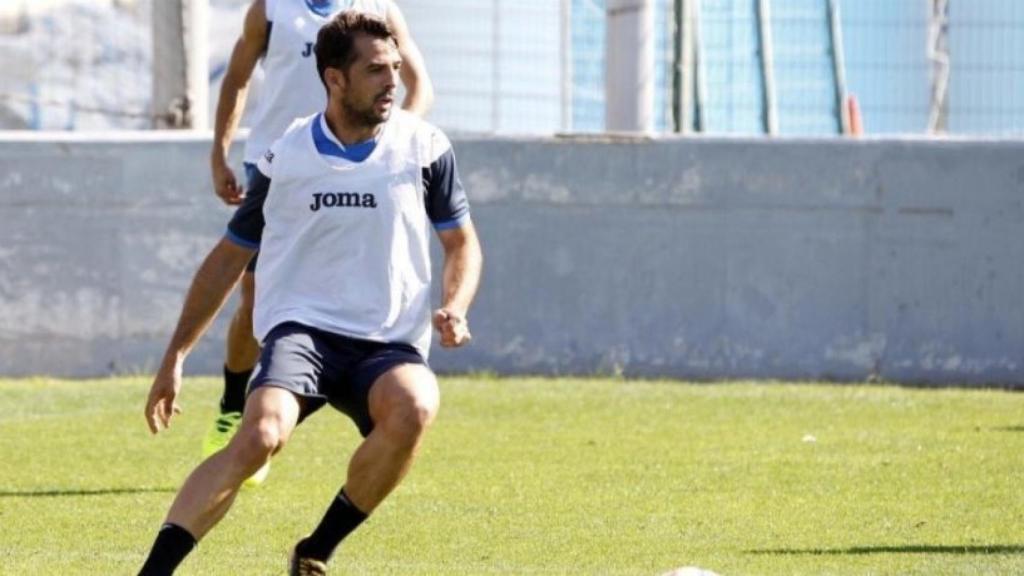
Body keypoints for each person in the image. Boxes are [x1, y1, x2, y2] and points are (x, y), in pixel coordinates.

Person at [138, 12, 480, 575]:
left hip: (388, 340)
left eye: (395, 67)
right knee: (260, 435)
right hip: (305, 333)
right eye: (375, 70)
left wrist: (456, 306)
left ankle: (316, 550)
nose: (392, 81)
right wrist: (175, 355)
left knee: (416, 407)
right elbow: (229, 256)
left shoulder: (425, 148)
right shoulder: (287, 156)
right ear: (335, 79)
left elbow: (462, 244)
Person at [205, 0, 434, 483]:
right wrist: (220, 152)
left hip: (358, 167)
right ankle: (235, 405)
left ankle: (348, 382)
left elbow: (420, 86)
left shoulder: (378, 11)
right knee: (256, 294)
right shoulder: (270, 9)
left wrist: (392, 145)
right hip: (280, 164)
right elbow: (238, 78)